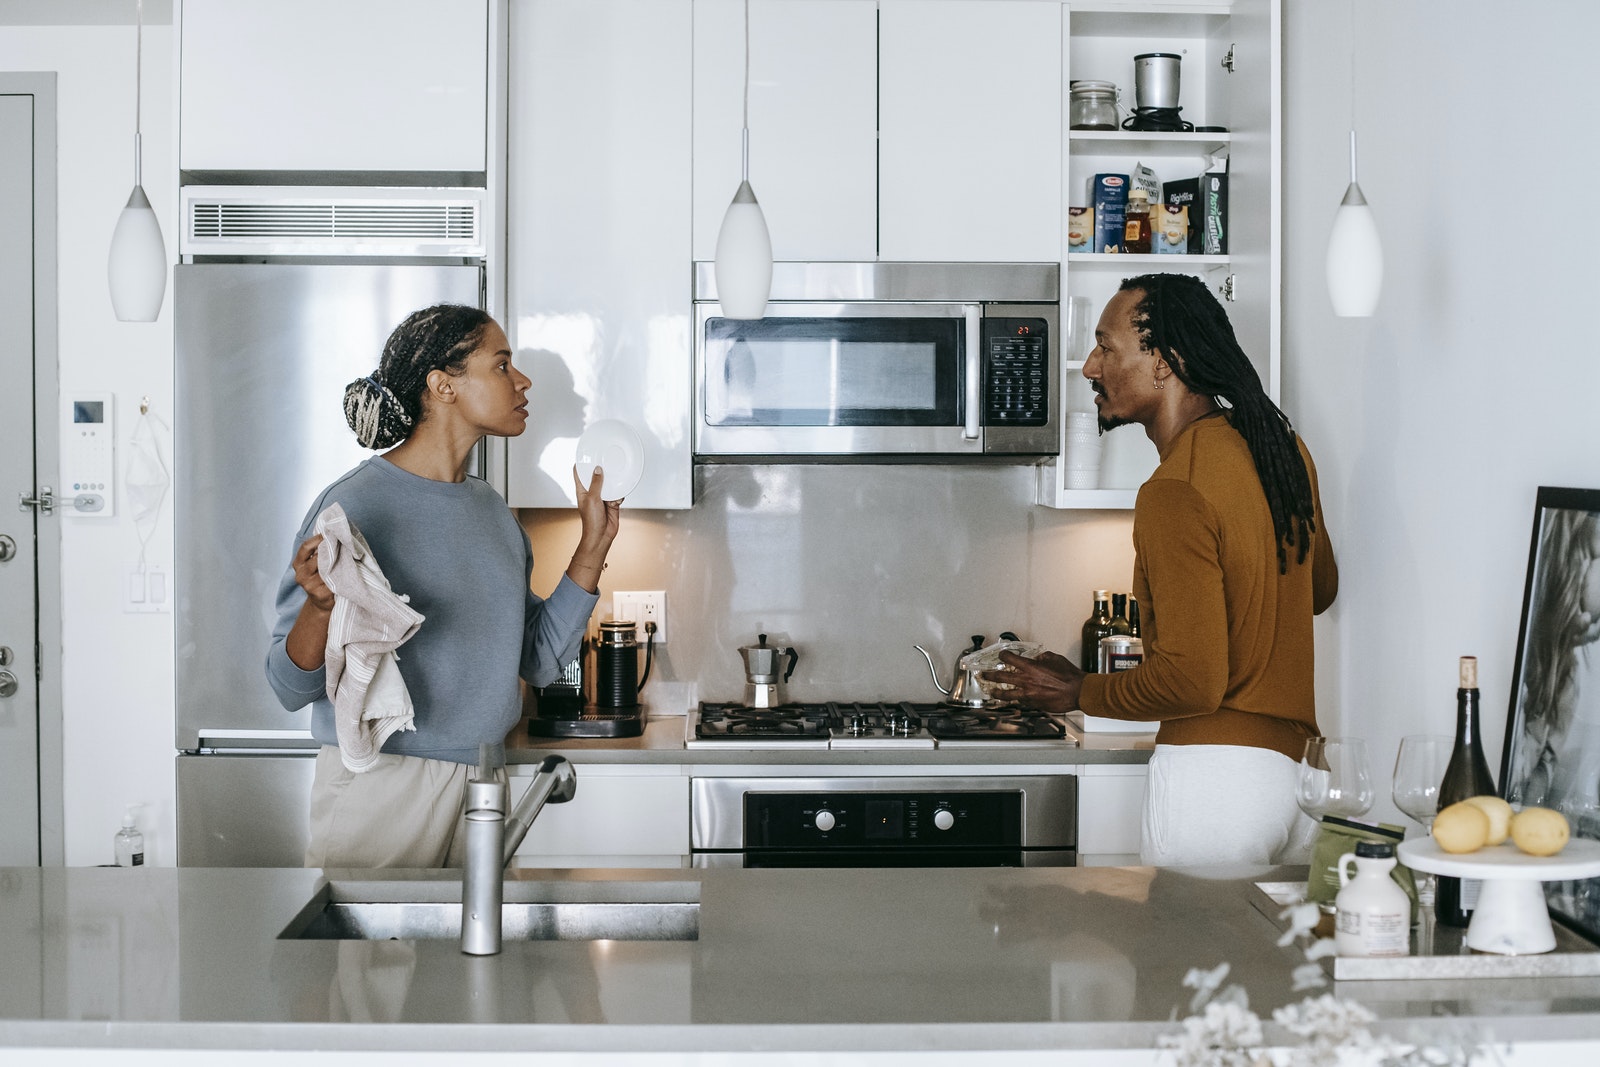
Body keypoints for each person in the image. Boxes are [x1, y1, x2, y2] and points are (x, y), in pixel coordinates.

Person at [988, 273, 1338, 867]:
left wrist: (1077, 690)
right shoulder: (1280, 448)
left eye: (1106, 347)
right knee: (1269, 961)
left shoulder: (1174, 489)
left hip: (1218, 785)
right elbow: (1319, 589)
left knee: (1187, 961)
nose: (1090, 368)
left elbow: (1192, 682)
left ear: (1164, 362)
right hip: (1302, 779)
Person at [265, 304, 621, 868]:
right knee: (368, 959)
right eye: (502, 366)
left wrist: (592, 547)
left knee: (470, 957)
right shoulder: (354, 508)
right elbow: (288, 687)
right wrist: (319, 607)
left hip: (482, 779)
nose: (522, 381)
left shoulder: (492, 513)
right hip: (379, 785)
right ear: (443, 385)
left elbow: (540, 659)